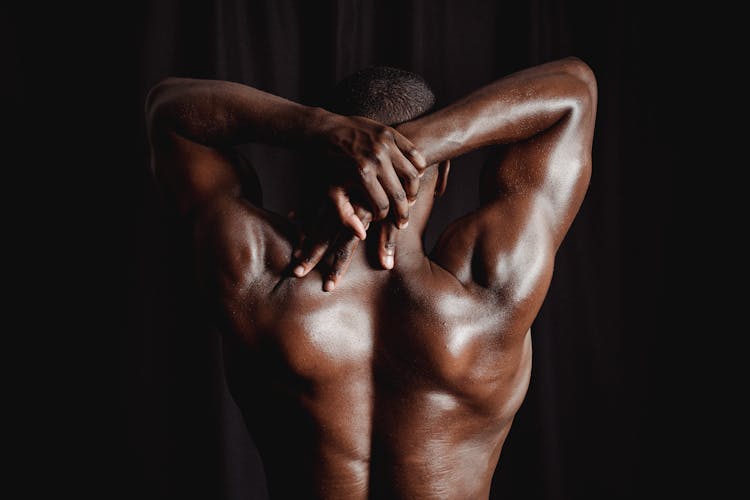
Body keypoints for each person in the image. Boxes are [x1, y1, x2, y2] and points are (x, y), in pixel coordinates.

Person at [146, 57, 597, 499]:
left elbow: (168, 110)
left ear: (320, 166)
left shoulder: (258, 276)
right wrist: (423, 147)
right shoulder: (490, 287)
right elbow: (575, 88)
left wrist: (319, 129)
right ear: (442, 181)